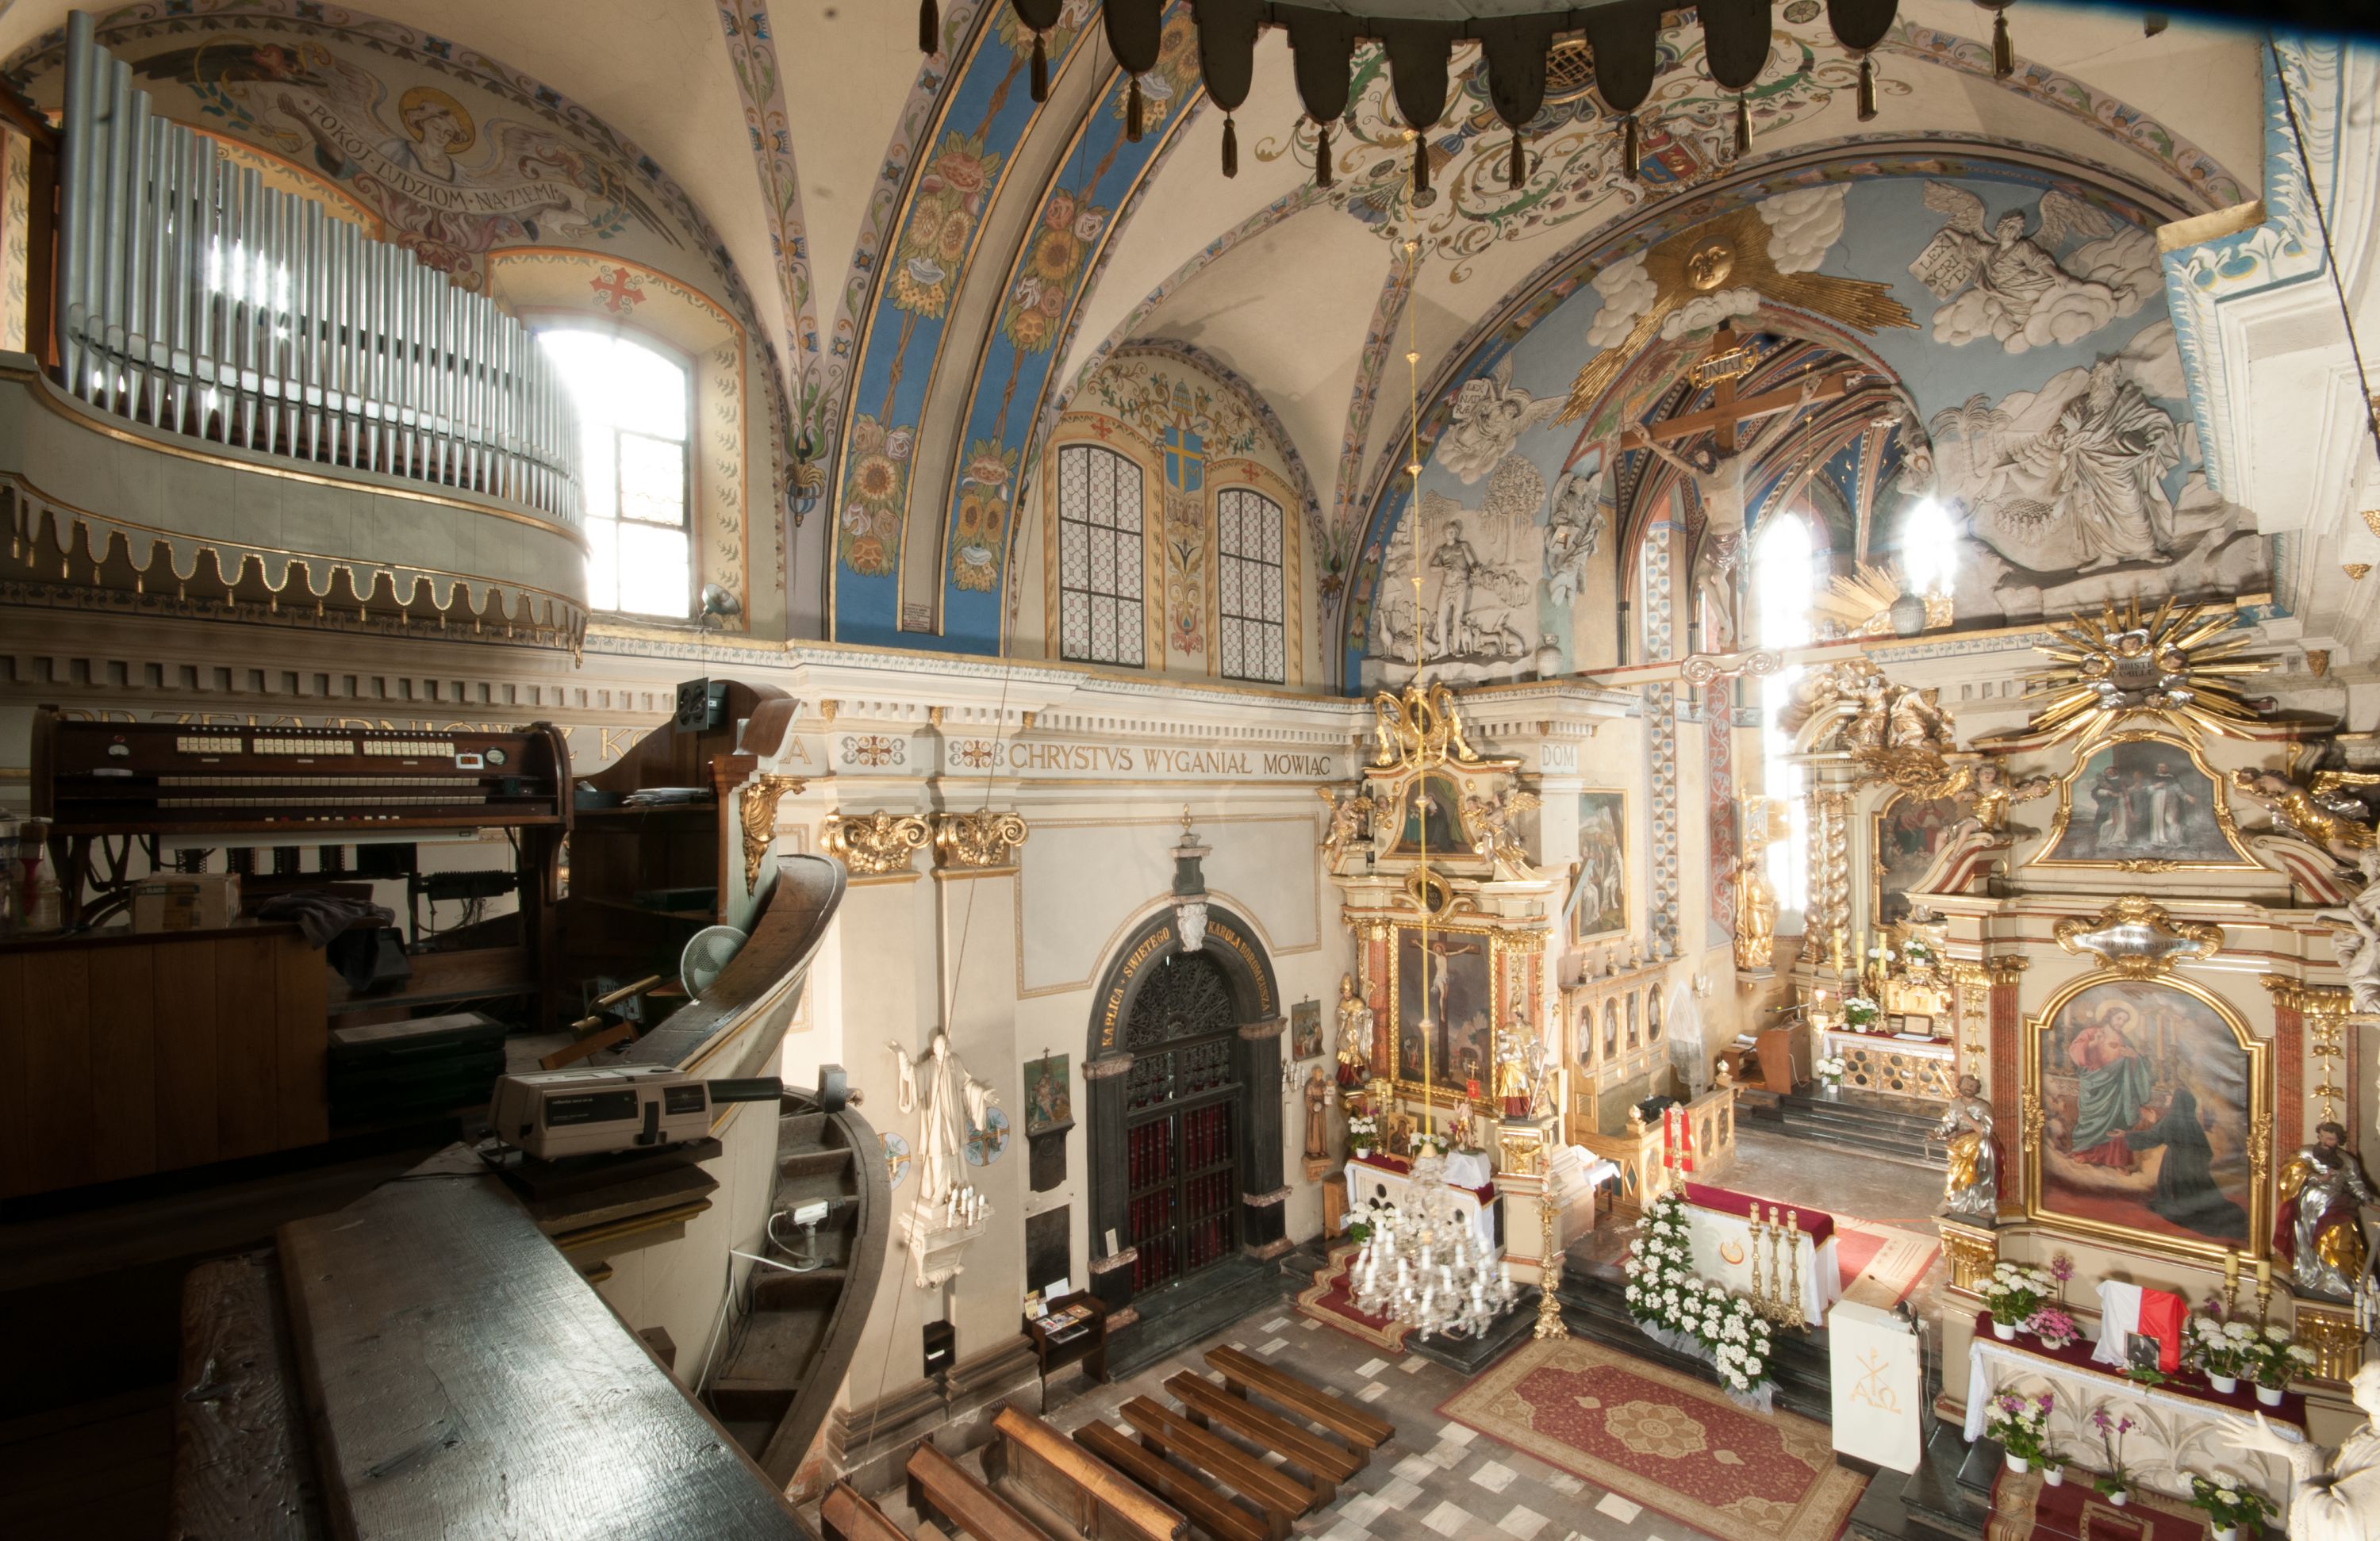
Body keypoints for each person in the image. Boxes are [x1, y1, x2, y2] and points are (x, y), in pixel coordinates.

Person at [2224, 1360, 2380, 1541]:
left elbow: (2344, 1527)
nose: (2353, 1380)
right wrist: (2282, 1446)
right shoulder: (2367, 1432)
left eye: (2363, 1377)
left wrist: (2311, 1489)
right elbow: (2335, 1465)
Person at [2126, 1084, 2248, 1242]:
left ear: (2178, 1101)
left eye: (2171, 1097)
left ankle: (2180, 1205)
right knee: (2197, 1192)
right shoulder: (2190, 1121)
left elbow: (2154, 1137)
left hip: (2176, 1163)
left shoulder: (2172, 1119)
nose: (2168, 1098)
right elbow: (2201, 1149)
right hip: (2193, 1166)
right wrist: (2157, 1121)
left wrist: (2125, 1136)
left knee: (2178, 1200)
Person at [2274, 1121, 2377, 1301]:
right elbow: (2292, 1169)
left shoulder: (2347, 1161)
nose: (2325, 1142)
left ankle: (2341, 1282)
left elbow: (2356, 1184)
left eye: (2330, 1139)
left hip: (2335, 1205)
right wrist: (2316, 1177)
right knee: (2306, 1243)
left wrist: (2368, 1201)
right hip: (2307, 1208)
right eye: (2322, 1137)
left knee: (2340, 1242)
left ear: (2338, 1141)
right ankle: (2309, 1276)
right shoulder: (2307, 1152)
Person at [2065, 1007, 2153, 1167]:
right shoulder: (2091, 1032)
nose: (2121, 1023)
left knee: (2117, 1123)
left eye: (2124, 1021)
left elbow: (2134, 1064)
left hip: (2117, 1089)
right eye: (2119, 1018)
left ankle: (2116, 1160)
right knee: (2091, 1121)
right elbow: (2075, 1050)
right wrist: (2093, 1043)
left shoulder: (2125, 1040)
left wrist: (2134, 1057)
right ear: (2110, 1017)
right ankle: (2084, 1153)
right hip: (2095, 1084)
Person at [1933, 1073, 1999, 1218]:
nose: (1969, 1087)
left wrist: (1968, 1118)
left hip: (1979, 1145)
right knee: (1957, 1173)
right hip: (1960, 1144)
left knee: (1977, 1175)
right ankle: (1956, 1202)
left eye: (1972, 1085)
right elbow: (1951, 1123)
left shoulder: (1983, 1106)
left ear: (1977, 1088)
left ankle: (1979, 1205)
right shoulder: (1955, 1103)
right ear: (1960, 1086)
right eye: (1966, 1084)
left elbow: (1986, 1132)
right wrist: (1937, 1132)